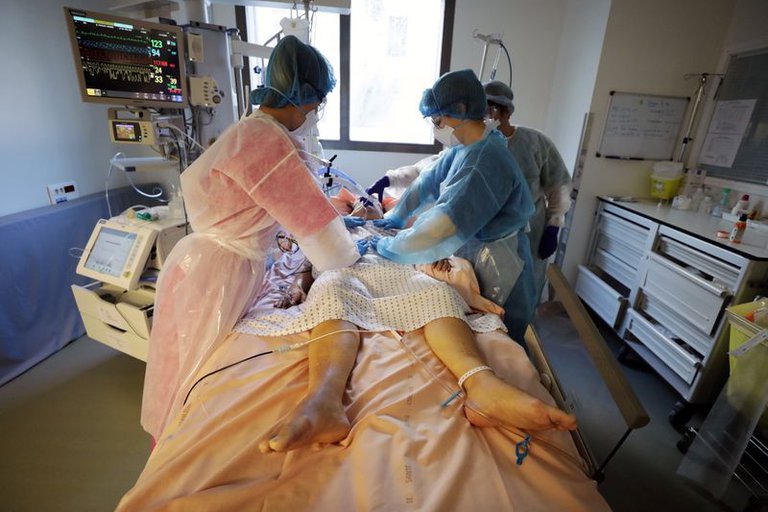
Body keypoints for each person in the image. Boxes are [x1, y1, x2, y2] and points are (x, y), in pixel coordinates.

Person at [141, 35, 365, 441]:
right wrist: (356, 246)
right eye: (315, 104)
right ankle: (185, 445)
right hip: (218, 274)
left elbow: (280, 207)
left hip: (196, 261)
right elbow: (330, 249)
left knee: (180, 365)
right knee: (196, 373)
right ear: (303, 96)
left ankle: (171, 440)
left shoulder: (248, 131)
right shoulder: (270, 145)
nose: (313, 113)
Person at [256, 238, 576, 454]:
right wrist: (298, 285)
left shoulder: (392, 230)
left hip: (398, 272)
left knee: (438, 293)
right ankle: (323, 401)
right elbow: (304, 266)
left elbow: (427, 247)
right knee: (333, 294)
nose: (364, 208)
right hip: (343, 271)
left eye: (370, 207)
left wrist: (432, 257)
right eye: (356, 206)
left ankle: (483, 385)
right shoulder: (329, 232)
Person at [370, 69, 537, 345]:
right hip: (476, 251)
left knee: (498, 339)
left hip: (500, 264)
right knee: (471, 324)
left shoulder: (483, 160)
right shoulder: (464, 148)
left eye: (438, 120)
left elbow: (441, 225)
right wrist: (396, 217)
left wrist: (388, 246)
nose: (436, 127)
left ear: (459, 110)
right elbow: (427, 182)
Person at [483, 80, 572, 301]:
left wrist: (553, 226)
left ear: (507, 112)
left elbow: (559, 186)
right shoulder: (475, 145)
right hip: (485, 233)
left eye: (491, 110)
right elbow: (438, 170)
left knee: (523, 294)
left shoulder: (535, 143)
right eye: (481, 111)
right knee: (484, 295)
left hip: (529, 235)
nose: (486, 117)